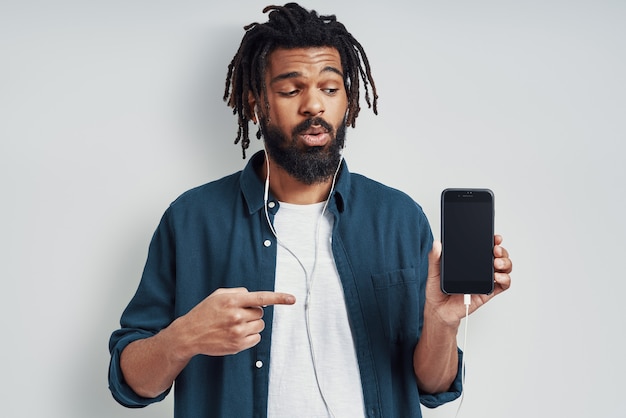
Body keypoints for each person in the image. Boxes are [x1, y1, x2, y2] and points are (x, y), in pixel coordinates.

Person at [108, 3, 512, 417]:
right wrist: (183, 338)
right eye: (290, 90)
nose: (314, 106)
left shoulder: (399, 218)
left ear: (348, 101)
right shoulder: (192, 219)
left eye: (330, 89)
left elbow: (434, 384)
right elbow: (131, 384)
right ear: (254, 103)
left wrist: (442, 322)